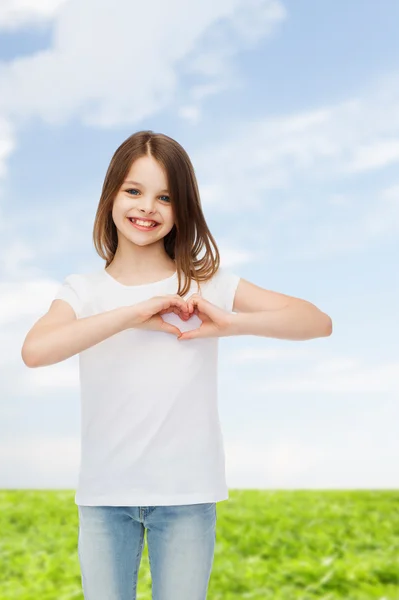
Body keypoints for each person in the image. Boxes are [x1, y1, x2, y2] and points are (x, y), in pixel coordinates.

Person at [21, 130, 333, 600]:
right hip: (106, 495)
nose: (147, 207)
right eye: (134, 191)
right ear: (110, 195)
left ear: (182, 207)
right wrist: (132, 313)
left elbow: (316, 321)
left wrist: (226, 324)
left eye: (165, 196)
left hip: (187, 493)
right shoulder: (83, 290)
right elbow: (36, 350)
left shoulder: (204, 282)